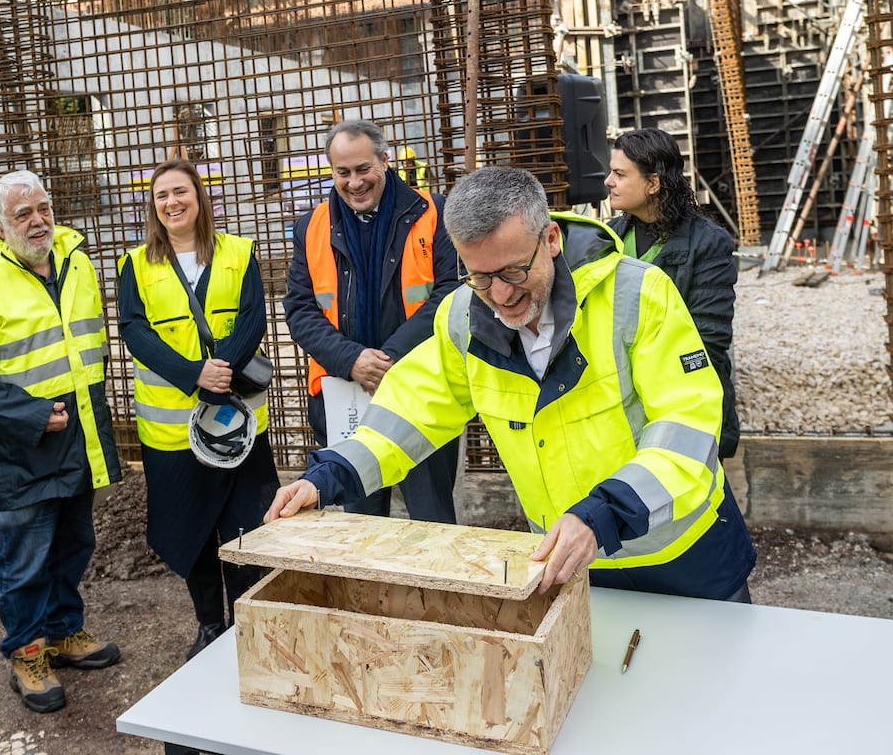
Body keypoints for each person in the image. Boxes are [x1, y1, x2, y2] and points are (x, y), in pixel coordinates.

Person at [267, 166, 756, 602]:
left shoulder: (638, 295)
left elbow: (687, 422)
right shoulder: (463, 317)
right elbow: (410, 412)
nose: (500, 295)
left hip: (682, 551)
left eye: (514, 270)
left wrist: (603, 513)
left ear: (551, 241)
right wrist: (328, 476)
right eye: (479, 276)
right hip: (570, 561)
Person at [0, 169, 121, 714]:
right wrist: (35, 415)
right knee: (25, 558)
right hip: (24, 448)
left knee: (73, 544)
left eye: (42, 208)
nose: (38, 220)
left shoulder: (76, 264)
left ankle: (64, 632)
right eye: (23, 214)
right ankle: (25, 652)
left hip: (79, 435)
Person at [117, 159, 277, 661]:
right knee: (192, 531)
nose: (172, 202)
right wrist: (192, 375)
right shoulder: (136, 263)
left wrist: (220, 369)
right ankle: (210, 623)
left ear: (199, 197)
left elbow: (255, 315)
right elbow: (133, 330)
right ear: (154, 205)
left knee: (244, 529)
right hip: (173, 434)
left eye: (180, 192)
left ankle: (244, 624)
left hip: (237, 427)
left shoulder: (237, 252)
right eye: (162, 195)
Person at [283, 120, 461, 523]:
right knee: (359, 523)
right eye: (342, 172)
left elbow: (449, 294)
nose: (354, 182)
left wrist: (389, 358)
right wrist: (351, 360)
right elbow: (299, 309)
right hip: (344, 395)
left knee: (431, 521)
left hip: (420, 390)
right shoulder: (310, 227)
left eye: (363, 169)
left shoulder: (435, 213)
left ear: (385, 160)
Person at [605, 127, 740, 458]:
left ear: (653, 184)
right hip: (620, 409)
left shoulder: (708, 243)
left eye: (620, 174)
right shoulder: (608, 240)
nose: (608, 181)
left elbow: (708, 340)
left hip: (684, 405)